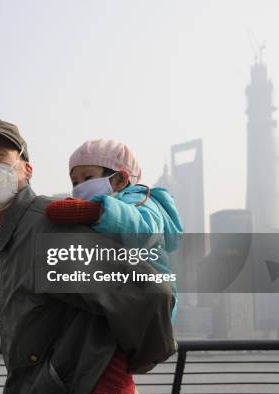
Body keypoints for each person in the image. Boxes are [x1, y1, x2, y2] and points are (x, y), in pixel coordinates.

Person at [0, 118, 177, 394]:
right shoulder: (12, 235)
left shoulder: (46, 228)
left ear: (26, 169)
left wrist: (128, 365)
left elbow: (151, 293)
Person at [45, 139, 183, 393]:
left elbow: (144, 230)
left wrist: (95, 212)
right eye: (75, 181)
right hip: (122, 298)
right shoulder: (113, 203)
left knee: (107, 372)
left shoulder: (142, 200)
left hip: (143, 299)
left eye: (88, 177)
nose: (79, 187)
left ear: (120, 180)